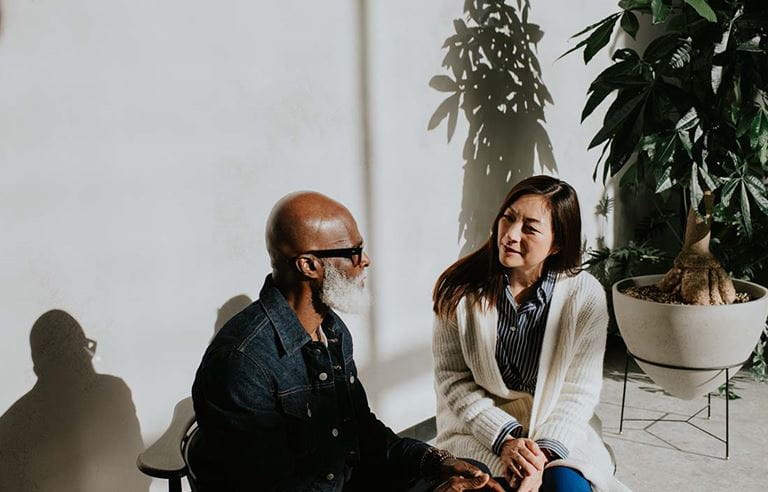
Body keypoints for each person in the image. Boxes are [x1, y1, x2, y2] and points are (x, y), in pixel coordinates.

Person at [190, 191, 505, 492]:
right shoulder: (241, 363)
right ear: (309, 265)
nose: (365, 260)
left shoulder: (331, 328)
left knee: (474, 477)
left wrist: (438, 463)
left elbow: (361, 430)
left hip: (349, 480)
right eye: (353, 251)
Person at [431, 176, 629, 492]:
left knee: (567, 486)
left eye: (530, 228)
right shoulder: (459, 291)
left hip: (557, 428)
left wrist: (541, 455)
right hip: (479, 429)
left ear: (557, 243)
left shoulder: (584, 295)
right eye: (507, 218)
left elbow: (579, 390)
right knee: (488, 486)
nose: (509, 235)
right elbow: (453, 379)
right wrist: (505, 439)